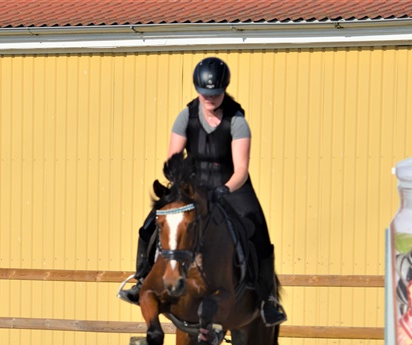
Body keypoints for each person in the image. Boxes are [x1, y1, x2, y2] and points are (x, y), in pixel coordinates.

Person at [118, 56, 286, 326]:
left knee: (257, 229)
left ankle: (267, 299)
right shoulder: (186, 116)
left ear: (224, 90)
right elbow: (173, 157)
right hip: (192, 186)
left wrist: (224, 189)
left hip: (230, 185)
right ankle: (141, 280)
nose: (210, 98)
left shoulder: (236, 121)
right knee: (150, 224)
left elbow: (241, 169)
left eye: (215, 94)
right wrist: (177, 181)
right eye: (205, 94)